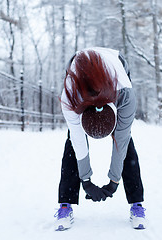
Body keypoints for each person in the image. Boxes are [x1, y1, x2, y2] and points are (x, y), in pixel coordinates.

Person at [55, 47, 145, 231]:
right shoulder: (71, 98)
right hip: (78, 66)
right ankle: (65, 204)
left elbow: (120, 141)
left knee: (125, 141)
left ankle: (137, 205)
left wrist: (114, 181)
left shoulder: (126, 95)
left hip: (116, 62)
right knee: (72, 143)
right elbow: (79, 141)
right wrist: (85, 180)